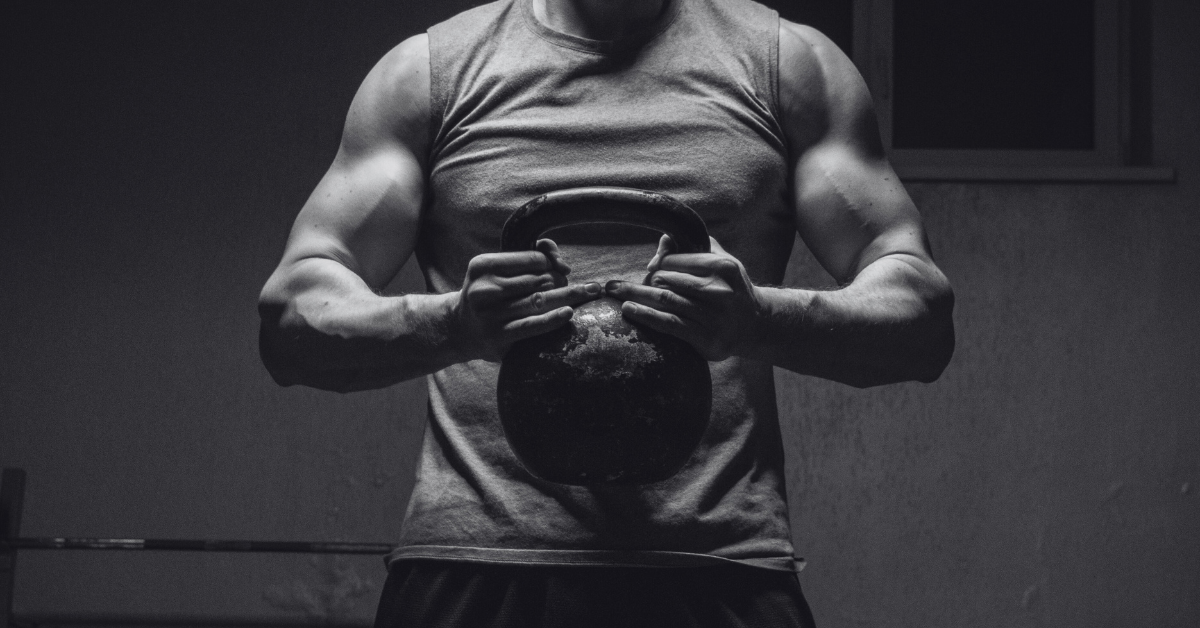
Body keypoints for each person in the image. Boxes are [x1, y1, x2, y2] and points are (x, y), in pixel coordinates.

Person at [258, 0, 955, 624]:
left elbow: (921, 320)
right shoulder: (428, 77)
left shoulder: (788, 67)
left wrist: (757, 320)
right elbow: (291, 321)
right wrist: (454, 325)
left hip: (716, 566)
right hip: (477, 567)